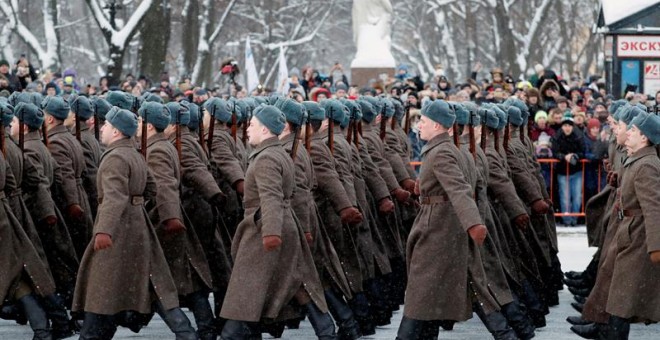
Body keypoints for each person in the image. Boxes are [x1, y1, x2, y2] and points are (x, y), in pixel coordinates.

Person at [72, 107, 197, 339]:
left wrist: (104, 230)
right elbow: (151, 187)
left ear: (117, 131)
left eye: (107, 125)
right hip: (136, 224)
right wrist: (136, 204)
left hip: (118, 229)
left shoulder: (116, 157)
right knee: (150, 282)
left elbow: (114, 198)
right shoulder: (135, 154)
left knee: (102, 285)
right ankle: (185, 331)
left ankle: (93, 333)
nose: (102, 128)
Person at [220, 105, 335, 339]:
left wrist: (271, 232)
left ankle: (233, 334)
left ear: (264, 129)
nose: (248, 129)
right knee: (296, 283)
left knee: (247, 289)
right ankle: (327, 330)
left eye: (252, 124)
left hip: (264, 226)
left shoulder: (267, 158)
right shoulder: (277, 153)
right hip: (275, 223)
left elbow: (271, 196)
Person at [396, 100, 487, 339]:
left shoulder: (442, 152)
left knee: (419, 295)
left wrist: (473, 223)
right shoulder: (439, 150)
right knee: (427, 297)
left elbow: (459, 189)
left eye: (423, 121)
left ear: (437, 126)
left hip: (436, 230)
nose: (419, 126)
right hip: (435, 226)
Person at [551, 114, 585, 226]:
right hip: (562, 171)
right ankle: (566, 219)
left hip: (576, 171)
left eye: (569, 126)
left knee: (577, 197)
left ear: (572, 127)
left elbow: (583, 152)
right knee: (564, 197)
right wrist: (563, 157)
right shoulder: (557, 137)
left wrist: (574, 156)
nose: (567, 128)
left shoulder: (578, 136)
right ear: (562, 127)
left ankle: (574, 219)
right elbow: (555, 153)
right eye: (565, 125)